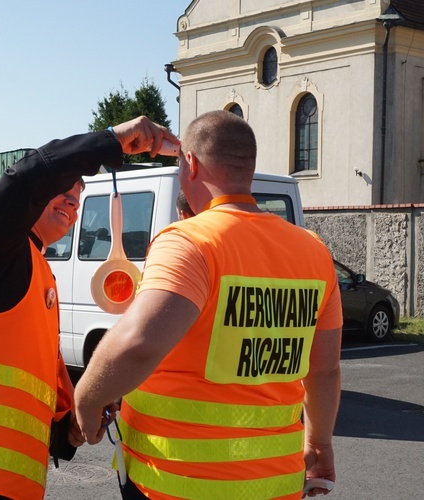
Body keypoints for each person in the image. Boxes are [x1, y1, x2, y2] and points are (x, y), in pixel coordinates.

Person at [0, 116, 178, 500]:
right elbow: (21, 183)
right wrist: (110, 141)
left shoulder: (39, 271)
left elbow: (29, 390)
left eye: (77, 198)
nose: (71, 200)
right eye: (62, 189)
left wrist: (70, 426)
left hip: (5, 485)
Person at [74, 110, 343, 500]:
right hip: (276, 484)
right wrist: (320, 443)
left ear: (191, 164)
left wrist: (87, 398)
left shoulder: (190, 242)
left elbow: (139, 343)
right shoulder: (313, 251)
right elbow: (324, 370)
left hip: (178, 484)